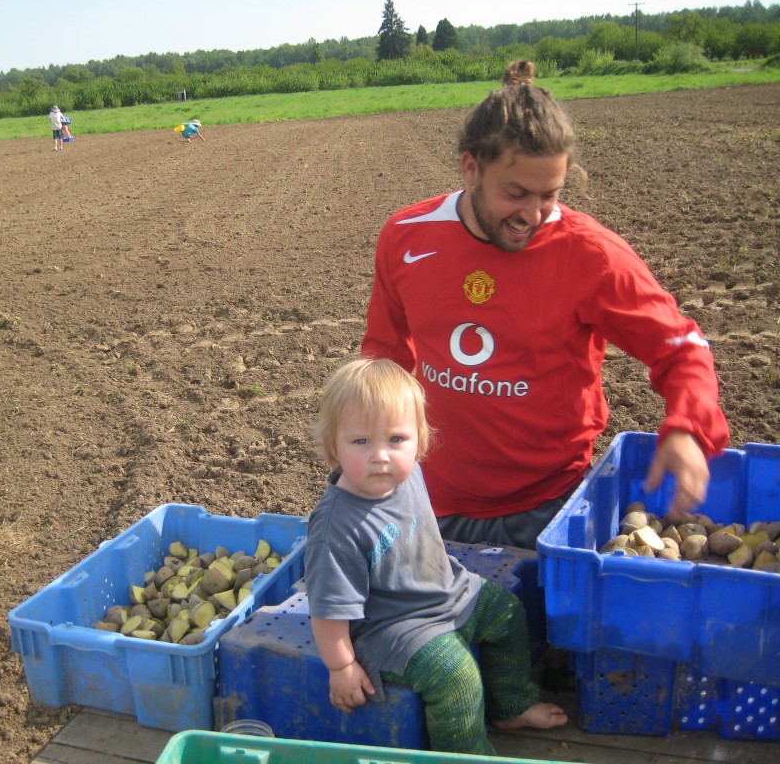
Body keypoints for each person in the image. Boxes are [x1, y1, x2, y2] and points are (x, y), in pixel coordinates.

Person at [361, 59, 730, 550]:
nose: (532, 215)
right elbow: (386, 354)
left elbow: (681, 347)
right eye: (515, 194)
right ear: (471, 167)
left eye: (550, 196)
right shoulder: (407, 237)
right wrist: (365, 445)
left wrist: (687, 427)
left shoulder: (590, 254)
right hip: (427, 497)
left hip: (548, 506)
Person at [304, 358, 567, 755]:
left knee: (507, 612)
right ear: (333, 446)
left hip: (445, 590)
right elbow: (327, 610)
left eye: (396, 439)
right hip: (394, 626)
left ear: (419, 439)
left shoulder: (409, 474)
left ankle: (511, 705)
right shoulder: (336, 528)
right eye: (361, 442)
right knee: (458, 679)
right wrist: (341, 667)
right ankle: (467, 756)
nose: (381, 456)